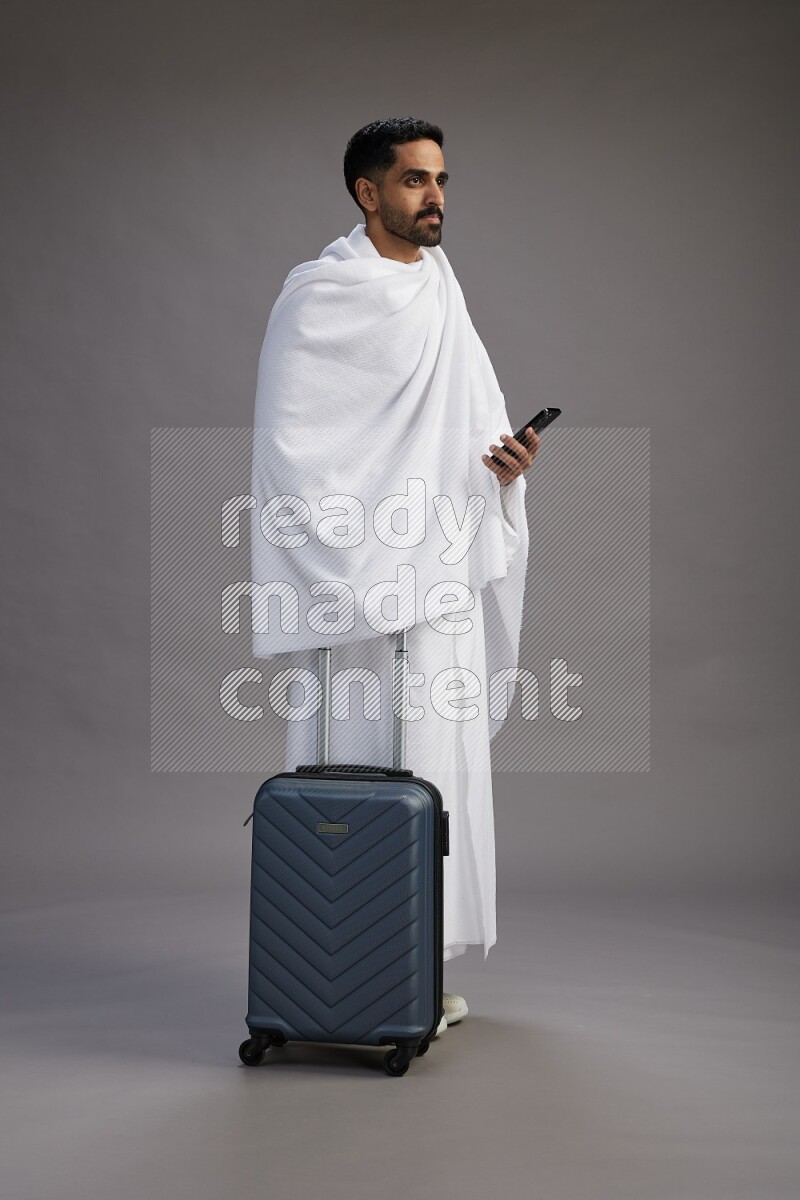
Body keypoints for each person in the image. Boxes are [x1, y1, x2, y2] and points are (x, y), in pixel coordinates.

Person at [250, 117, 540, 1039]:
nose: (435, 196)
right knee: (354, 756)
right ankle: (338, 971)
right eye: (415, 180)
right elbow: (293, 450)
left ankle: (412, 967)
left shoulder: (443, 290)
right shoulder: (318, 297)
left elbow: (467, 429)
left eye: (441, 179)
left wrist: (504, 470)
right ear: (367, 192)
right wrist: (363, 556)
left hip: (438, 576)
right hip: (353, 592)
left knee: (434, 767)